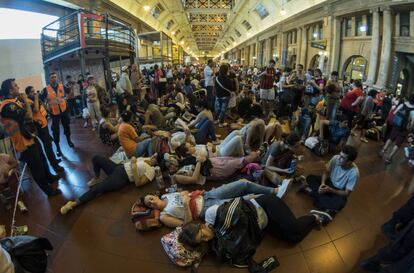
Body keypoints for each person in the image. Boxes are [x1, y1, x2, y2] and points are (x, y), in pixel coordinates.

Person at [142, 179, 291, 228]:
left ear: (155, 196)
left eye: (150, 198)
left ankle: (275, 191)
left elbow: (184, 192)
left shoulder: (166, 194)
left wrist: (184, 194)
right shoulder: (164, 216)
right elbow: (186, 225)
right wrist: (186, 204)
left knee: (243, 183)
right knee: (246, 200)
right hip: (206, 209)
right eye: (149, 204)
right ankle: (273, 201)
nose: (151, 202)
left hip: (207, 195)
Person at [1, 79, 61, 196]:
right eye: (15, 86)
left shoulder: (14, 102)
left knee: (42, 158)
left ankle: (49, 177)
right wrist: (26, 101)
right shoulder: (8, 106)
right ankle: (47, 190)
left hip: (29, 136)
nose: (18, 87)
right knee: (36, 166)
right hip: (23, 141)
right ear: (10, 90)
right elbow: (28, 116)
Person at [60, 154, 157, 214]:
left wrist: (134, 166)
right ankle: (97, 178)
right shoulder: (147, 158)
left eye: (155, 157)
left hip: (122, 177)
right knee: (96, 158)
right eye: (154, 155)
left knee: (97, 189)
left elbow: (138, 183)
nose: (153, 156)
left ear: (157, 162)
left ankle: (74, 203)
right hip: (118, 167)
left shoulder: (151, 171)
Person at [299, 145, 359, 215]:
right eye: (340, 155)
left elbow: (346, 193)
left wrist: (330, 190)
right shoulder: (335, 158)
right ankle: (323, 205)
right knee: (310, 177)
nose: (339, 158)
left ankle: (312, 193)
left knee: (340, 204)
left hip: (337, 191)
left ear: (349, 162)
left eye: (342, 158)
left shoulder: (354, 173)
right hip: (328, 182)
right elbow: (326, 172)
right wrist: (322, 183)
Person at [25, 86, 63, 173]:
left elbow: (42, 107)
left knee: (49, 144)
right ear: (27, 94)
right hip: (39, 126)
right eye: (31, 92)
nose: (34, 93)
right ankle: (55, 166)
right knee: (48, 146)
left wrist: (39, 100)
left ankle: (54, 160)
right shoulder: (28, 102)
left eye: (34, 91)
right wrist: (36, 98)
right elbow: (35, 110)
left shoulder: (35, 99)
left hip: (43, 124)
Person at [40, 72, 74, 157]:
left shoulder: (62, 86)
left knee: (67, 126)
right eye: (52, 77)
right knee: (55, 130)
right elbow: (40, 99)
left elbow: (69, 91)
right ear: (49, 79)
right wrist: (46, 107)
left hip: (63, 110)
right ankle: (58, 148)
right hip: (54, 113)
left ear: (57, 77)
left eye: (55, 77)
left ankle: (69, 140)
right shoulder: (45, 89)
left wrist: (66, 98)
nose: (54, 78)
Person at [380, 95, 414, 163]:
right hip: (404, 128)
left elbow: (395, 112)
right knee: (398, 143)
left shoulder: (403, 104)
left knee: (390, 138)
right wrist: (410, 127)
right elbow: (413, 121)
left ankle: (383, 151)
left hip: (397, 124)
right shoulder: (413, 110)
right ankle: (389, 158)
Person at [215, 64, 235, 128]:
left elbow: (215, 86)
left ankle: (216, 120)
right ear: (226, 70)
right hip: (225, 96)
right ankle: (221, 122)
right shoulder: (228, 79)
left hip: (218, 95)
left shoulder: (217, 78)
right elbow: (231, 88)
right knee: (223, 110)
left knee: (218, 109)